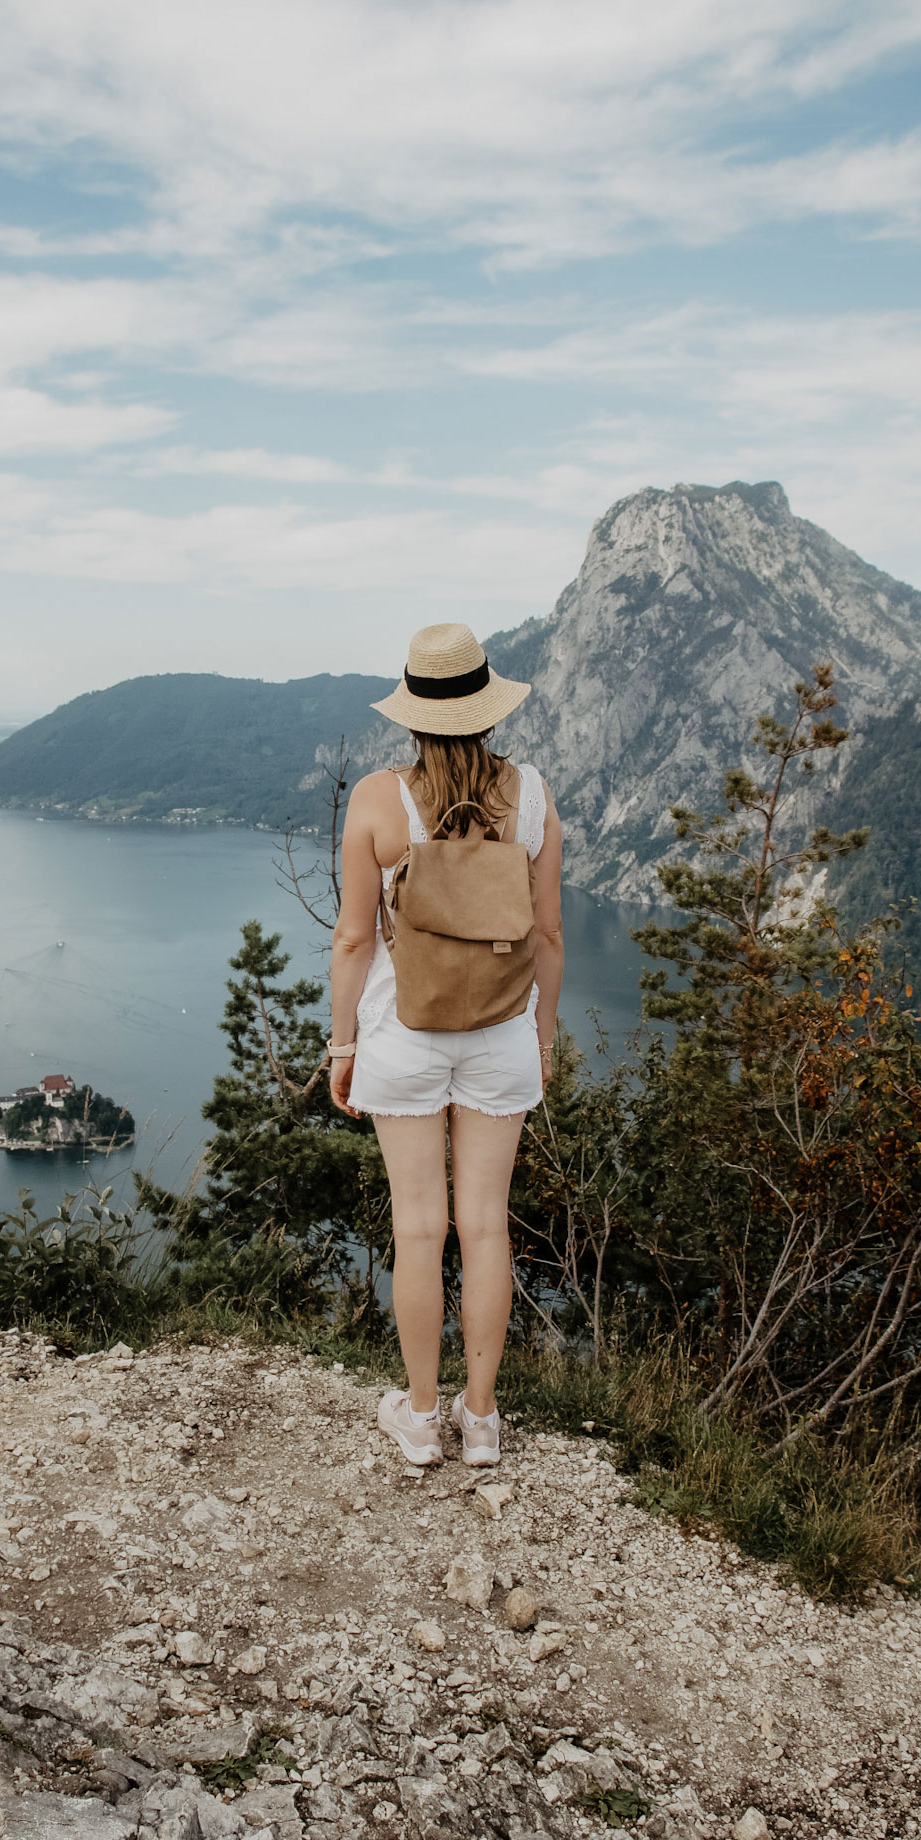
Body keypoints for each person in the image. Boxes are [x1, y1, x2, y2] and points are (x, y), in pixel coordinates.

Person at [328, 622, 563, 1468]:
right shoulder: (531, 796)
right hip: (500, 1034)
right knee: (487, 1227)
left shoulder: (378, 800)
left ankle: (421, 1418)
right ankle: (484, 1420)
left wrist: (341, 1045)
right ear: (487, 708)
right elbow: (548, 937)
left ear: (415, 715)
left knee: (420, 1228)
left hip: (404, 1035)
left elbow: (355, 941)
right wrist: (539, 1043)